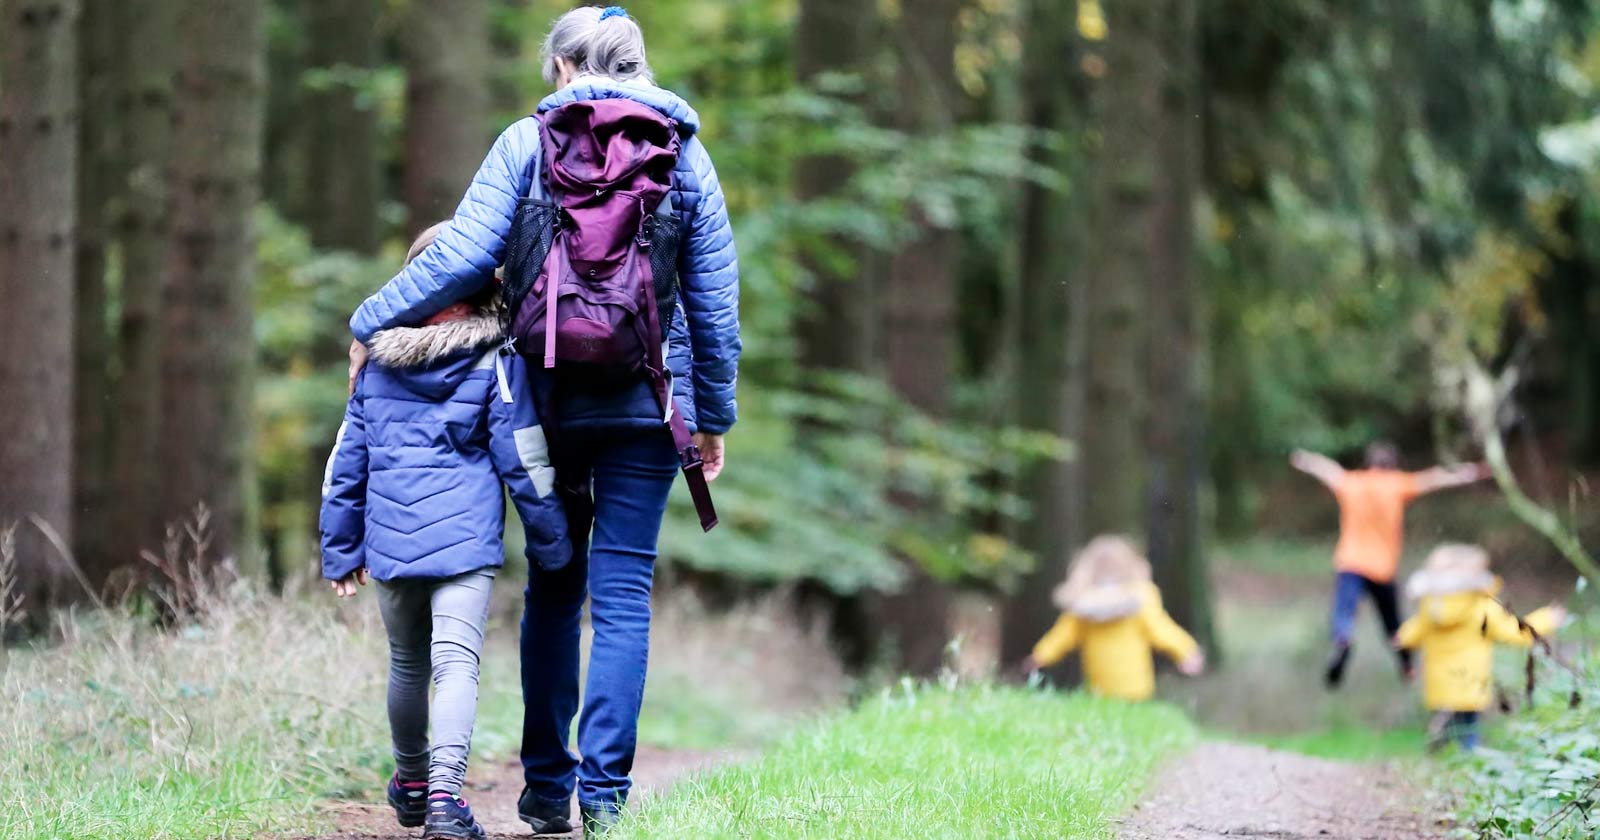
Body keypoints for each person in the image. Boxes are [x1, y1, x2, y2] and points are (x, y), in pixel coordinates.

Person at [343, 7, 740, 835]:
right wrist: (711, 418)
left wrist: (369, 322)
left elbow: (457, 255)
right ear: (639, 66)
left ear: (562, 66)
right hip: (648, 403)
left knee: (555, 588)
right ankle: (604, 800)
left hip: (543, 399)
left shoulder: (525, 144)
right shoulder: (686, 155)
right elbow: (714, 307)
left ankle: (545, 788)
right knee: (624, 593)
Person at [321, 224, 573, 840]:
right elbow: (524, 455)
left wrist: (340, 547)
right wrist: (552, 541)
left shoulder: (375, 361)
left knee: (407, 662)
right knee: (455, 664)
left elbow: (345, 462)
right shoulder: (495, 359)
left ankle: (410, 784)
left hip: (389, 539)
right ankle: (443, 802)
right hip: (463, 542)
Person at [1290, 442, 1492, 687]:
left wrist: (1305, 459)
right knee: (1392, 622)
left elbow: (1329, 470)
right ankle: (1406, 665)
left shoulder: (1352, 482)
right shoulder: (1396, 484)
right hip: (1382, 569)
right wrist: (1471, 472)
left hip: (1351, 563)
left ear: (1368, 464)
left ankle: (1342, 641)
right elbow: (1435, 478)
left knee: (1343, 612)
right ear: (1392, 465)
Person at [1393, 544, 1565, 750]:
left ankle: (1443, 746)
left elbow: (1410, 634)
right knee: (1469, 730)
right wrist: (1546, 619)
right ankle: (1466, 756)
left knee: (1450, 727)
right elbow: (1514, 631)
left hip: (1439, 685)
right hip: (1469, 682)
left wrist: (1401, 638)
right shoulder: (1481, 606)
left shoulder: (1431, 609)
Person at [1020, 536, 1206, 702]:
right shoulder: (1140, 598)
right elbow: (1162, 630)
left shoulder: (1083, 604)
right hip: (1136, 686)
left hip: (1099, 686)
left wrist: (1040, 655)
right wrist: (1186, 651)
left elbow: (1062, 635)